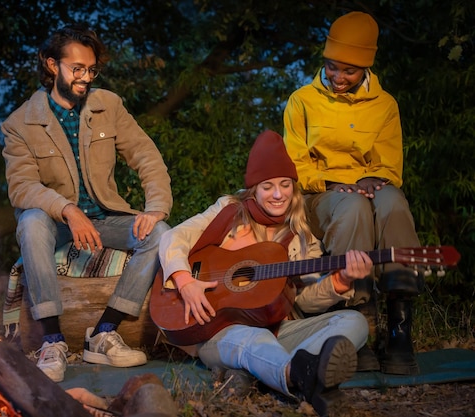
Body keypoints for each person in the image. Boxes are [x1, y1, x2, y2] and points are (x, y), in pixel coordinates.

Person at [158, 130, 372, 417]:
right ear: (254, 190)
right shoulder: (228, 211)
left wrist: (341, 280)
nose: (278, 194)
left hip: (277, 326)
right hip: (217, 329)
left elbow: (303, 302)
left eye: (285, 185)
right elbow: (173, 238)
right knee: (253, 340)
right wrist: (185, 282)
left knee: (355, 321)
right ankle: (297, 376)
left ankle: (275, 369)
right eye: (268, 186)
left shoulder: (301, 237)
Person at [1, 25, 172, 383]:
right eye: (76, 68)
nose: (85, 77)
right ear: (52, 65)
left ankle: (104, 332)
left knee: (160, 233)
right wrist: (68, 210)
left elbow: (145, 155)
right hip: (56, 222)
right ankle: (52, 341)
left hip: (106, 217)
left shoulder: (107, 105)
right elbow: (22, 187)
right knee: (30, 221)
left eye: (91, 69)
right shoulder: (20, 123)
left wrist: (155, 206)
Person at [282, 11, 422, 375]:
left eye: (349, 71)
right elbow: (294, 162)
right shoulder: (302, 100)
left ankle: (399, 325)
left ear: (366, 69)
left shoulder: (385, 105)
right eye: (331, 67)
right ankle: (356, 321)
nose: (338, 77)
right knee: (353, 208)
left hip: (370, 187)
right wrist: (327, 183)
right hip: (321, 194)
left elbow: (391, 164)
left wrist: (373, 178)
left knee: (393, 203)